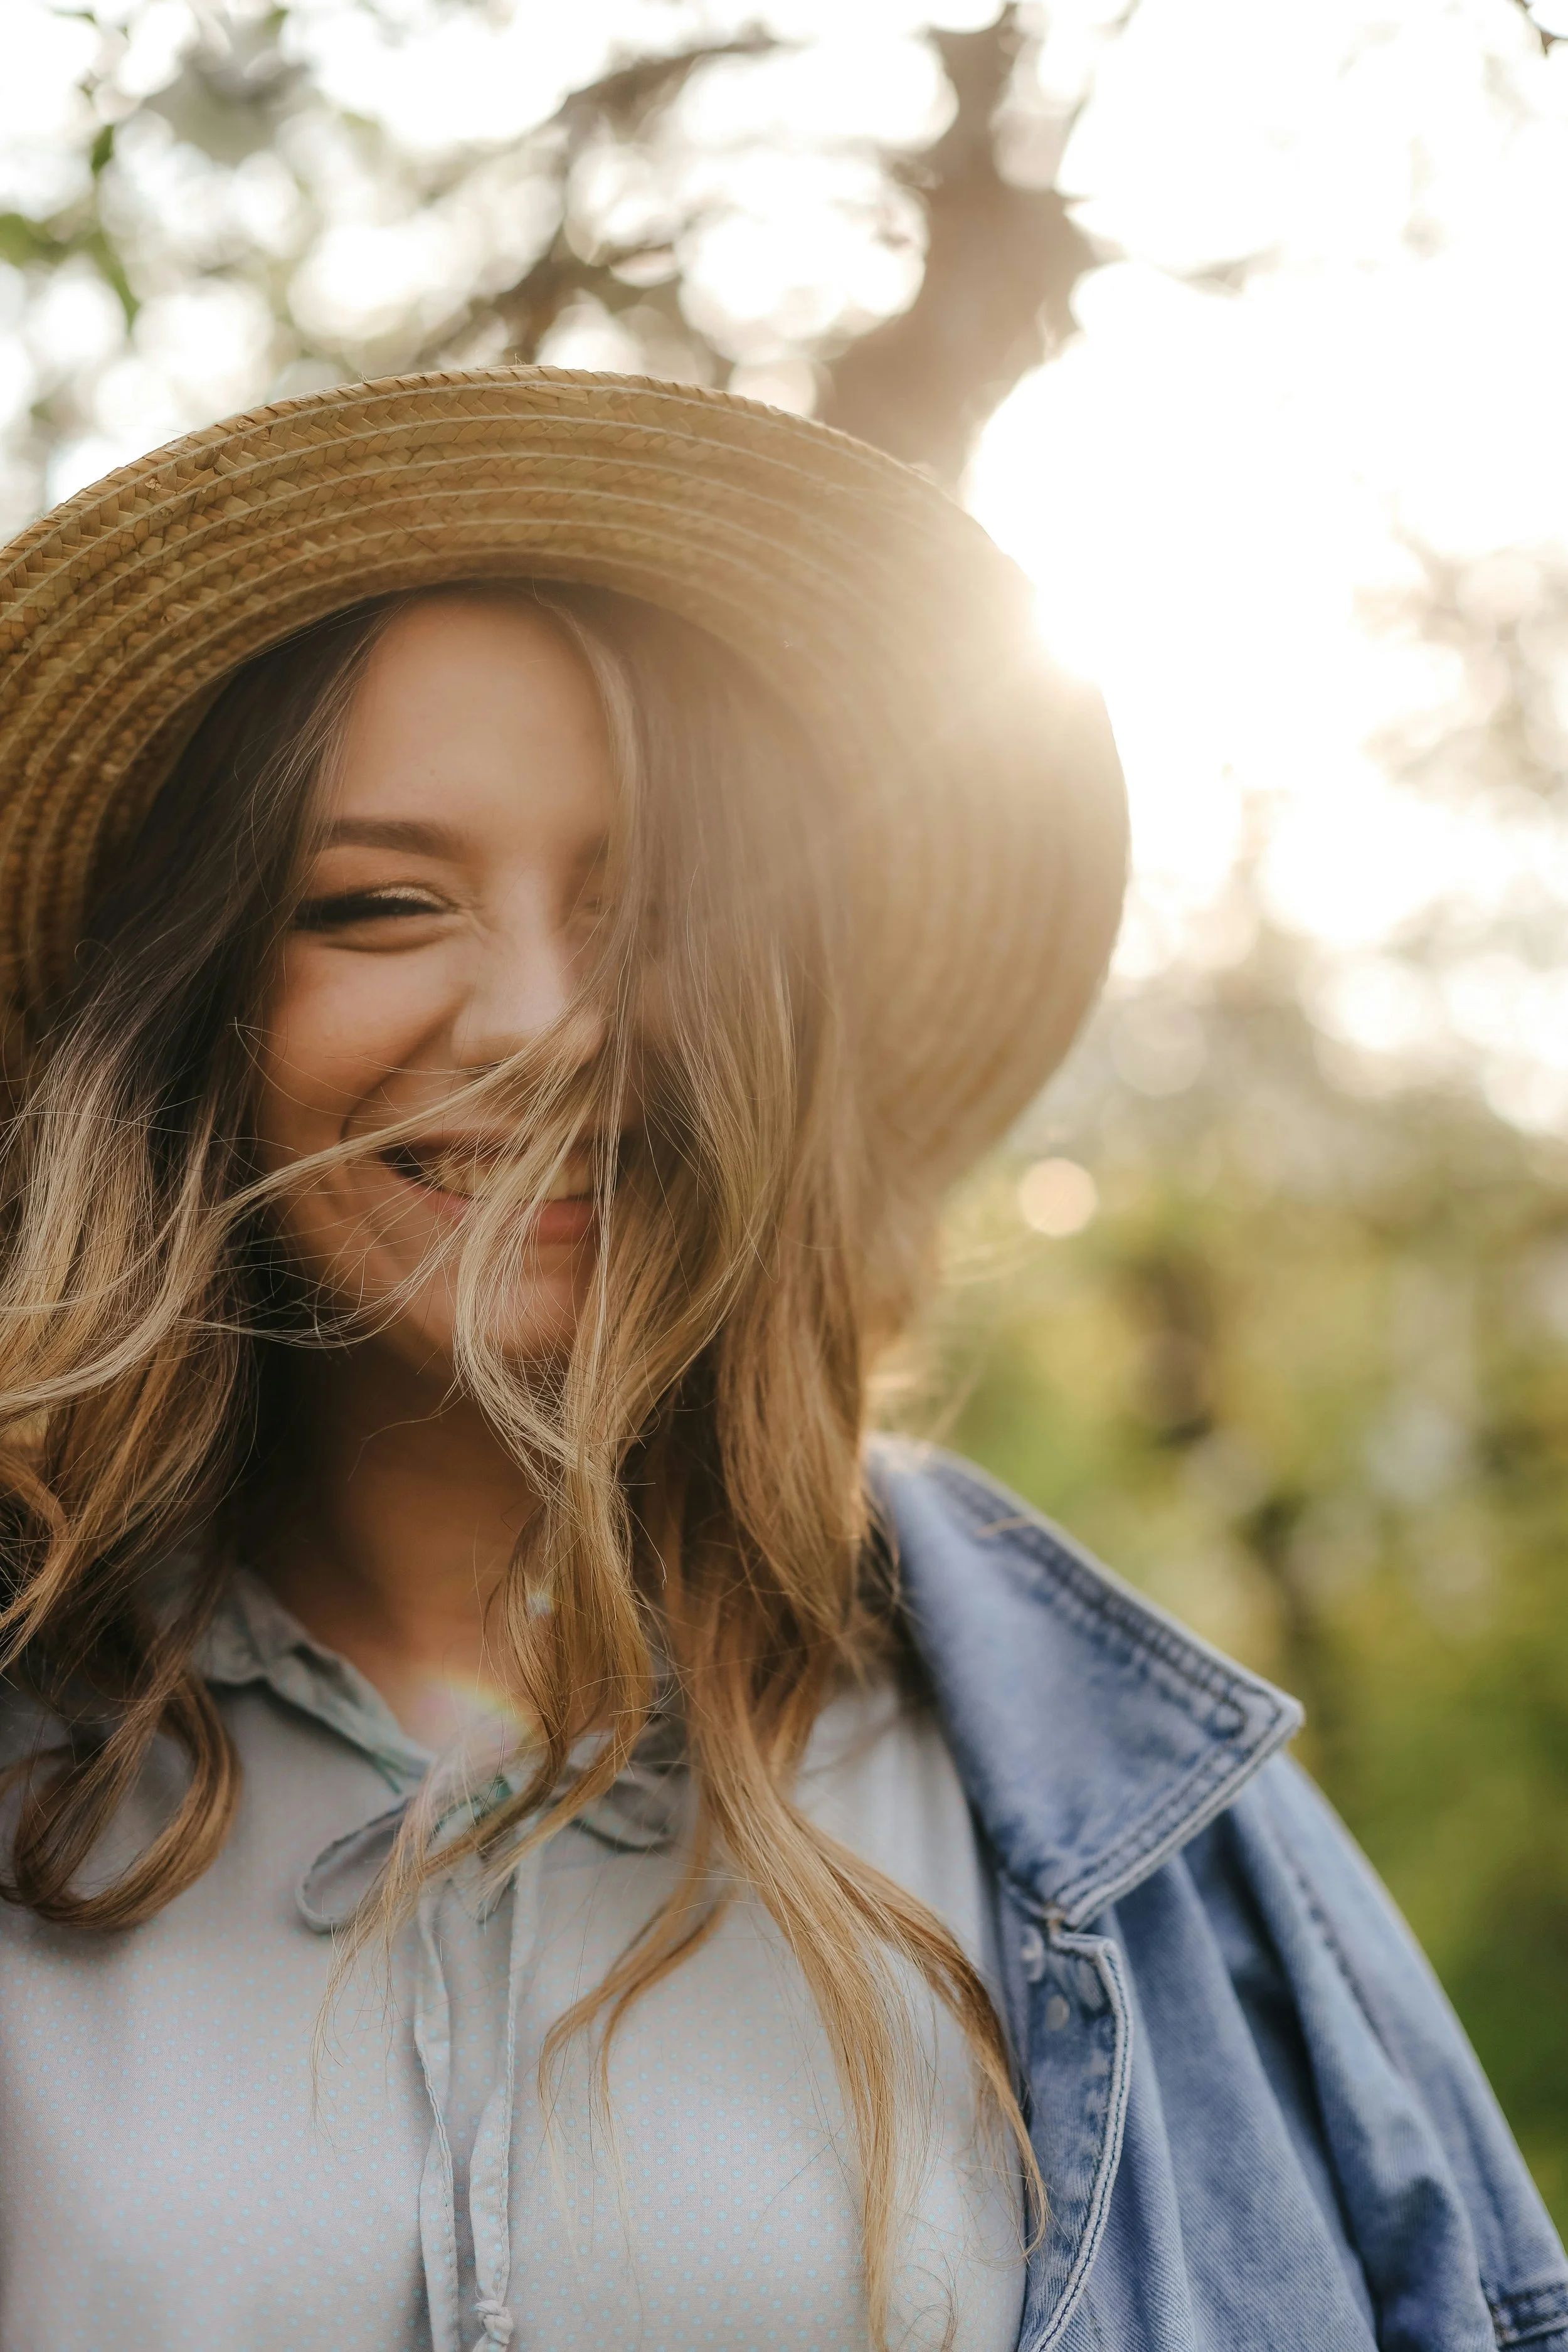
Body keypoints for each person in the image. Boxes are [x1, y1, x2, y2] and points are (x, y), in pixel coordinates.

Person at [0, 369, 1559, 2352]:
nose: (544, 1022)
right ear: (194, 1001)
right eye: (380, 901)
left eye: (648, 904)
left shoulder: (1148, 1832)